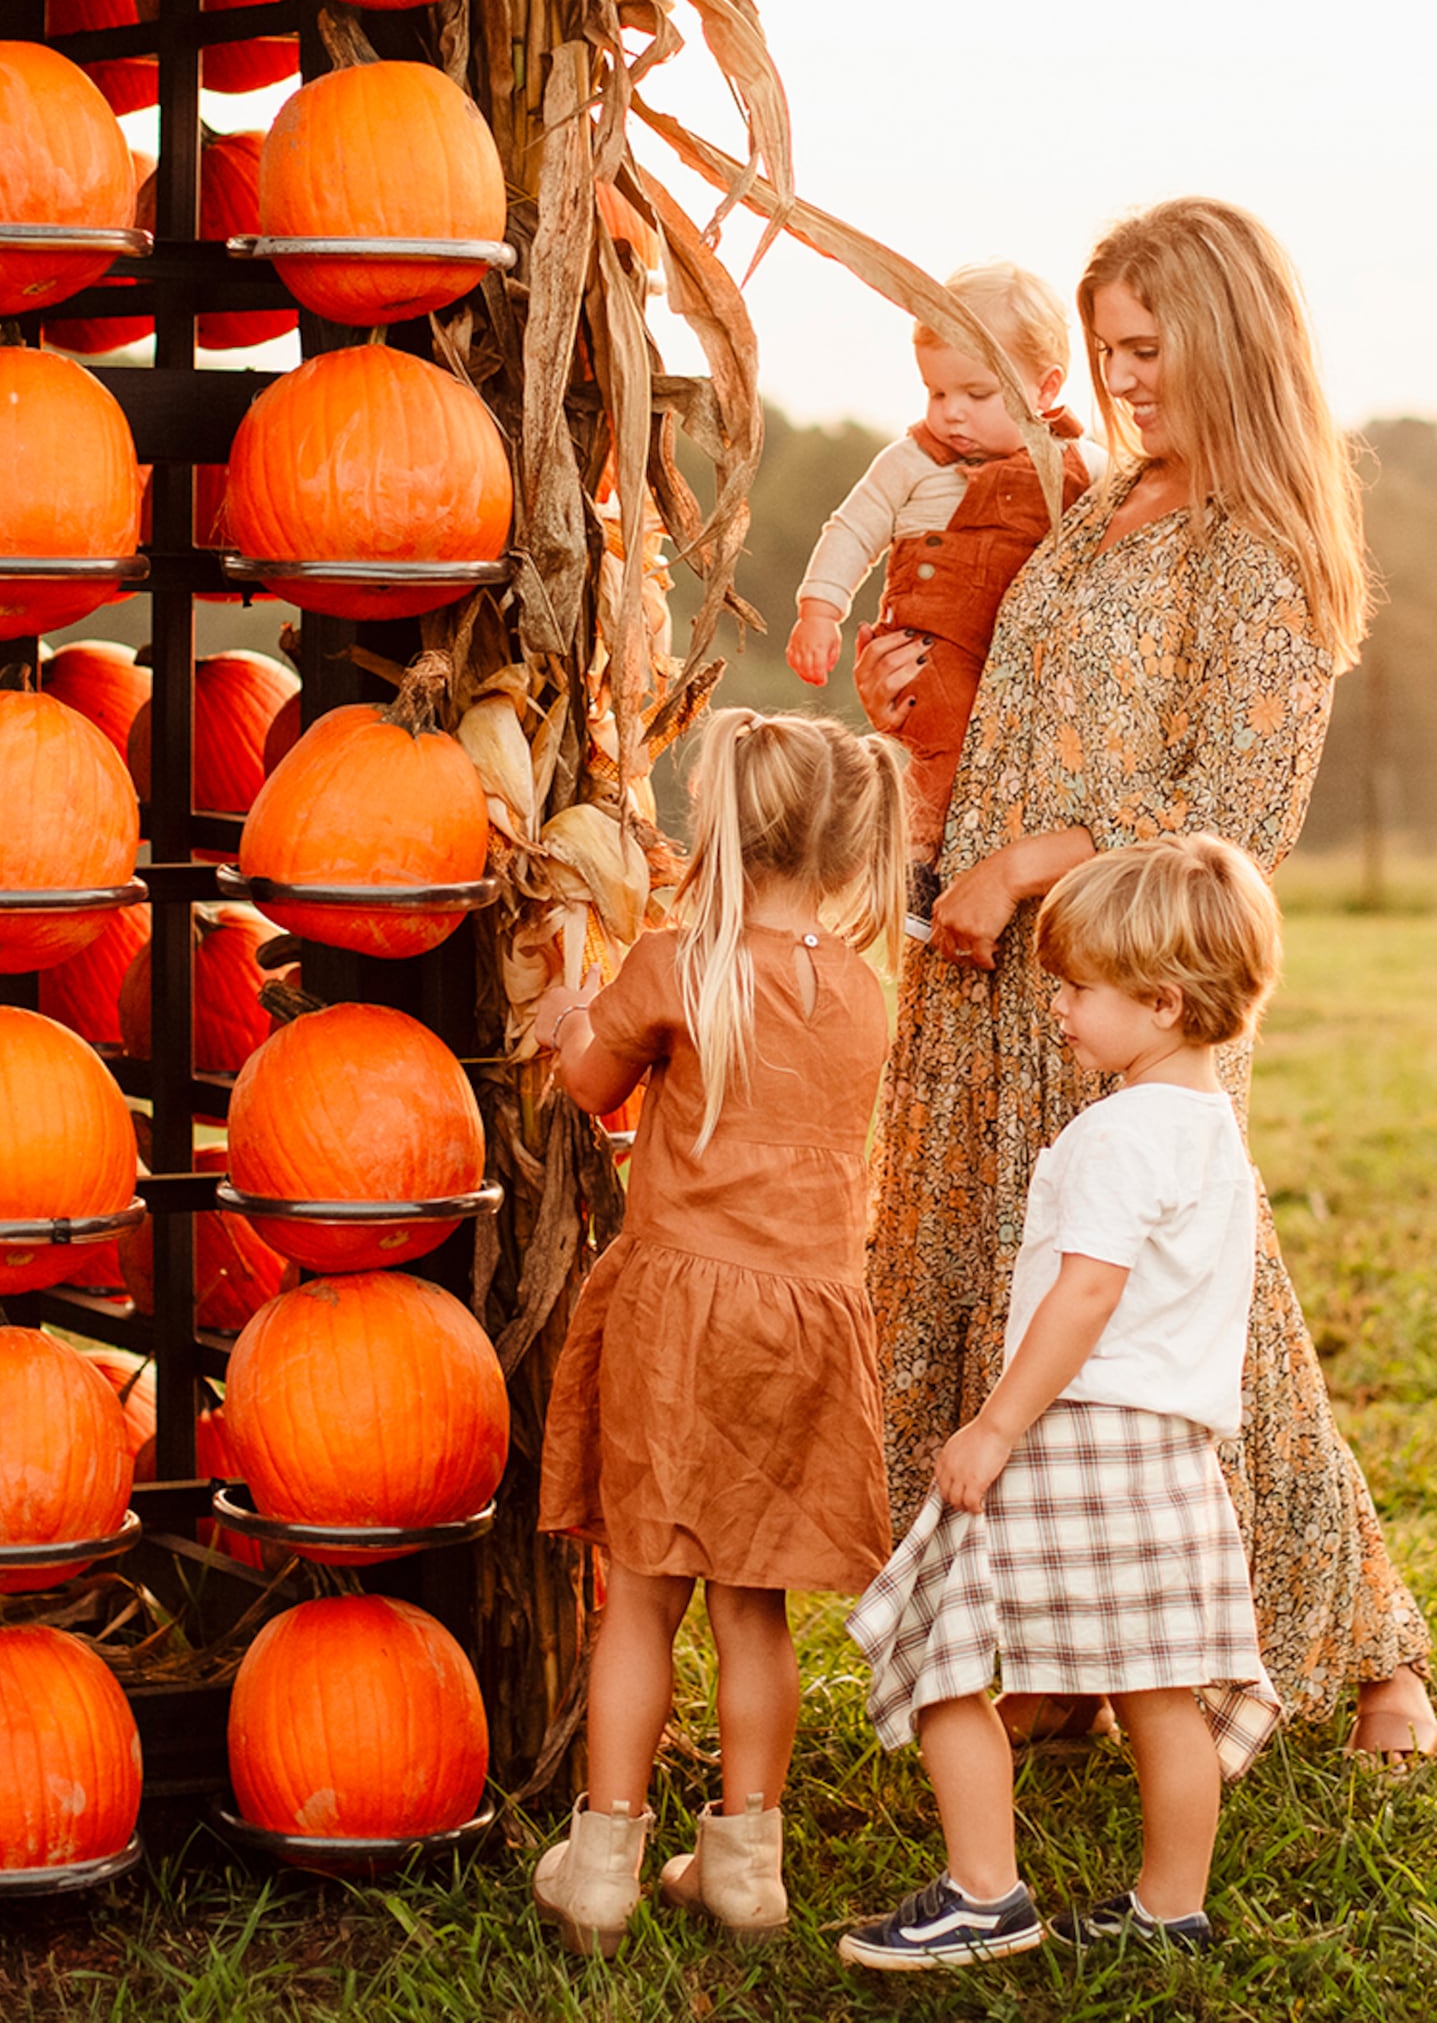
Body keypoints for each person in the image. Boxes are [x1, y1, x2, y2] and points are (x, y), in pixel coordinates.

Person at [863, 197, 1437, 1768]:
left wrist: (1028, 861)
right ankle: (1047, 1637)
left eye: (1143, 348)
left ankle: (1360, 1636)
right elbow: (1010, 701)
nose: (1118, 380)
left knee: (1192, 1318)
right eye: (1106, 349)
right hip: (988, 979)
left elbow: (1234, 812)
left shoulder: (1259, 550)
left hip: (1134, 987)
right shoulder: (1092, 506)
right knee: (995, 1286)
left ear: (1227, 343)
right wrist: (908, 684)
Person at [840, 837, 1288, 1968]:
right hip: (1170, 1449)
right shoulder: (1213, 1135)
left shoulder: (1118, 1135)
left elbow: (1087, 1293)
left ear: (1164, 1003)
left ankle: (984, 1894)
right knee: (1158, 1689)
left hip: (1074, 1431)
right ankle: (1168, 1910)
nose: (1058, 1006)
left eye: (1079, 988)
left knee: (944, 1646)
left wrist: (995, 1426)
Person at [523, 708, 914, 1947]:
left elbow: (593, 1092)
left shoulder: (674, 963)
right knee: (754, 1608)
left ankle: (603, 1866)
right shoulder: (862, 993)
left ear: (725, 830)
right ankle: (746, 1867)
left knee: (638, 1598)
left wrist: (566, 1019)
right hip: (806, 1323)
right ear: (856, 856)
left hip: (681, 1316)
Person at [786, 260, 1098, 908]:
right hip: (933, 648)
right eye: (936, 393)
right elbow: (852, 529)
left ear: (1046, 388)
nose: (952, 413)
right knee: (948, 738)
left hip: (1022, 665)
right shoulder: (912, 462)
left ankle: (995, 864)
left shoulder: (1082, 465)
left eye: (977, 394)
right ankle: (922, 863)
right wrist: (819, 610)